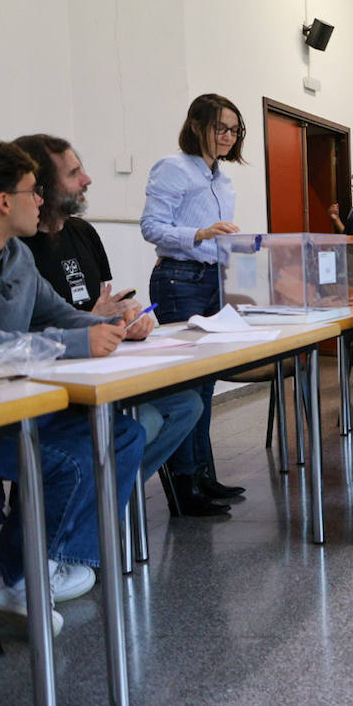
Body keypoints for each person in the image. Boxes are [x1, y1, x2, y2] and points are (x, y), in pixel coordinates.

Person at [0, 140, 148, 634]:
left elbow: (62, 316)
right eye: (34, 191)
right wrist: (70, 342)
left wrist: (121, 323)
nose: (42, 200)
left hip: (15, 404)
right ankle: (22, 572)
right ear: (3, 201)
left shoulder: (17, 256)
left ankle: (30, 564)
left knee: (123, 436)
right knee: (70, 461)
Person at [14, 134, 212, 513]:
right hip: (51, 380)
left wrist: (129, 319)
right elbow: (21, 333)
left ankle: (96, 506)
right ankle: (90, 511)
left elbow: (100, 304)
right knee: (145, 422)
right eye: (74, 173)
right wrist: (95, 320)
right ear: (40, 187)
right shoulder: (15, 249)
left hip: (99, 367)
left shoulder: (82, 233)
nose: (87, 180)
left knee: (186, 404)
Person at [140, 93, 247, 506]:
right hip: (179, 279)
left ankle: (205, 475)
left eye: (234, 130)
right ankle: (185, 485)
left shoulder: (220, 176)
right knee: (187, 384)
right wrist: (199, 234)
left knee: (206, 384)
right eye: (221, 128)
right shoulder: (173, 167)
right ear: (197, 125)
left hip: (212, 279)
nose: (228, 136)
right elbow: (151, 227)